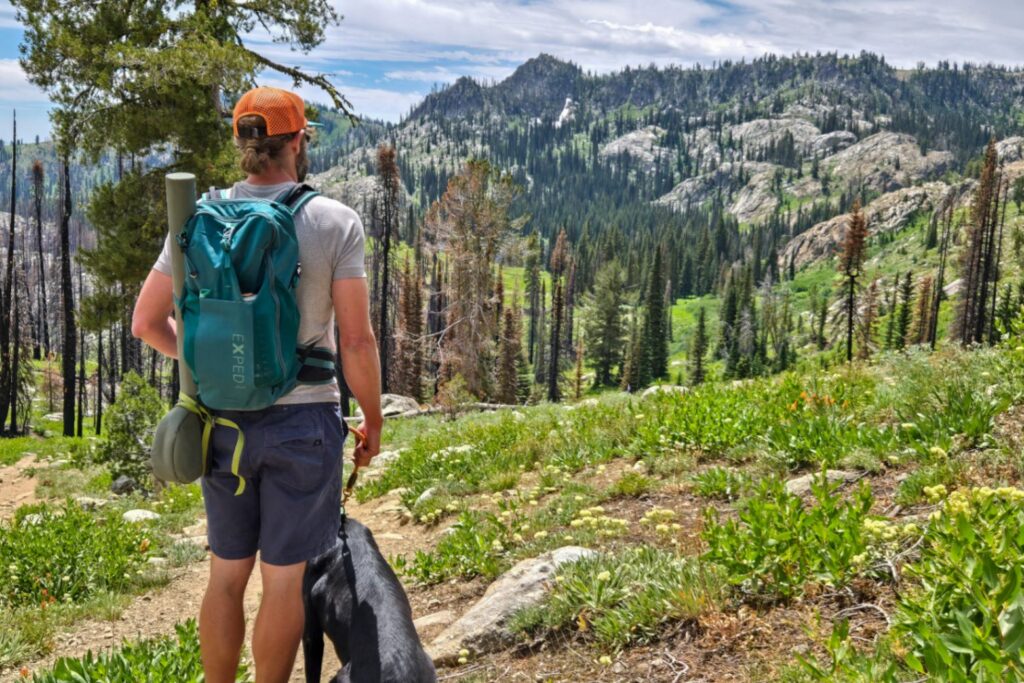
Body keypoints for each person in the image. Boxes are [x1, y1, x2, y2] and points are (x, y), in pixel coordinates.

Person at [132, 86, 382, 683]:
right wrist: (372, 419)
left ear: (243, 144)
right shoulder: (333, 221)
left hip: (221, 425)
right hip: (305, 425)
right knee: (284, 580)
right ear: (298, 141)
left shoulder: (197, 220)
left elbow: (145, 322)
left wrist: (210, 366)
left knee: (225, 575)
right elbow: (355, 341)